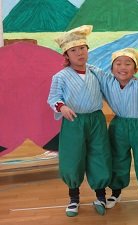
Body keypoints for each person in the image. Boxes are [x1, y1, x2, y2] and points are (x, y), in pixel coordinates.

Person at [90, 48, 138, 211]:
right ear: (111, 69)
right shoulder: (107, 81)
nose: (122, 67)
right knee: (117, 159)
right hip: (118, 126)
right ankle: (116, 191)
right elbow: (90, 68)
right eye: (118, 63)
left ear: (136, 69)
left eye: (128, 63)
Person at [47, 25, 111, 217]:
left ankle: (100, 195)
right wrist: (62, 107)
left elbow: (114, 85)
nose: (79, 53)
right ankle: (74, 198)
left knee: (99, 154)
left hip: (96, 120)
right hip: (73, 121)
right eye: (74, 50)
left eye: (82, 48)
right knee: (73, 157)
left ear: (87, 50)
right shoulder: (61, 76)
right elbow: (53, 97)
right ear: (66, 55)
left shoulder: (96, 72)